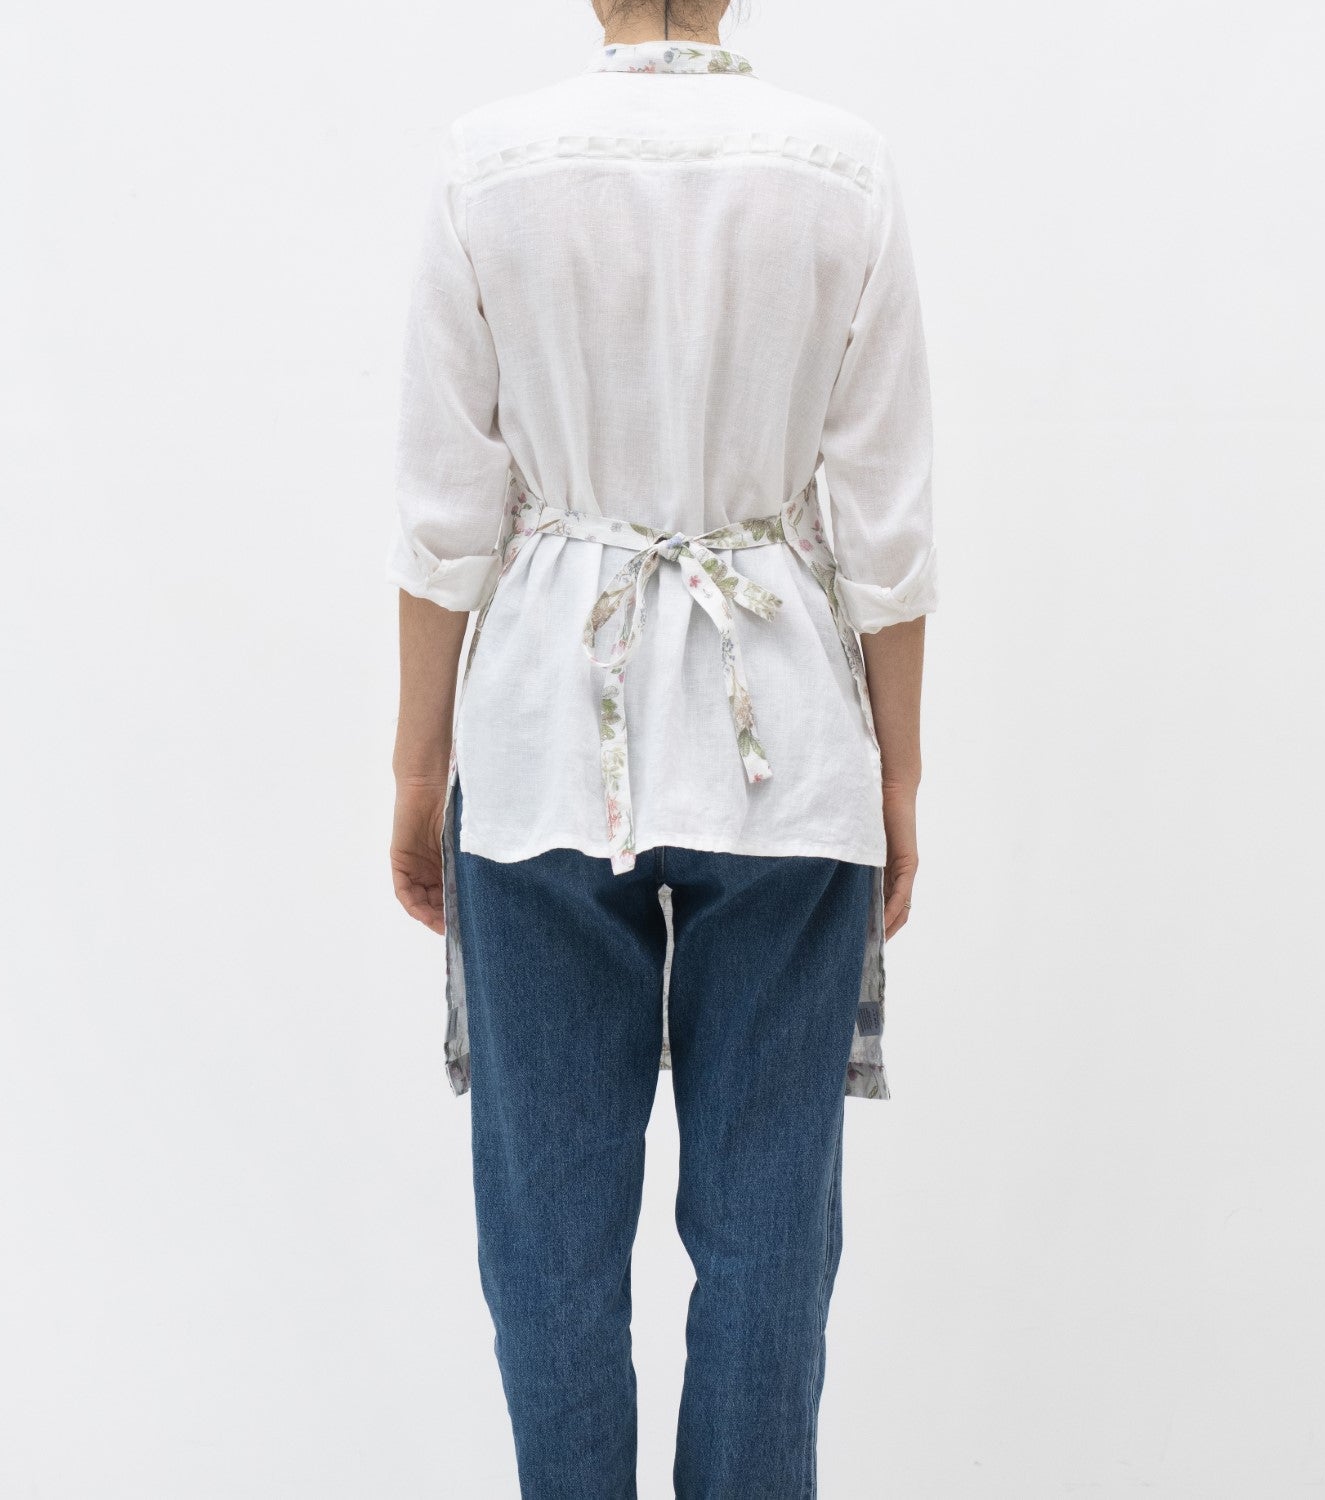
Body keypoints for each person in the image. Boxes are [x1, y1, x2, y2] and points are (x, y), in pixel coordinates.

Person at [386, 1, 938, 1493]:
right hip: (790, 748)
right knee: (772, 1230)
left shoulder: (488, 165)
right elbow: (885, 533)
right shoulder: (841, 167)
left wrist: (415, 773)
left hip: (542, 748)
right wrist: (899, 774)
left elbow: (445, 520)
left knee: (549, 1233)